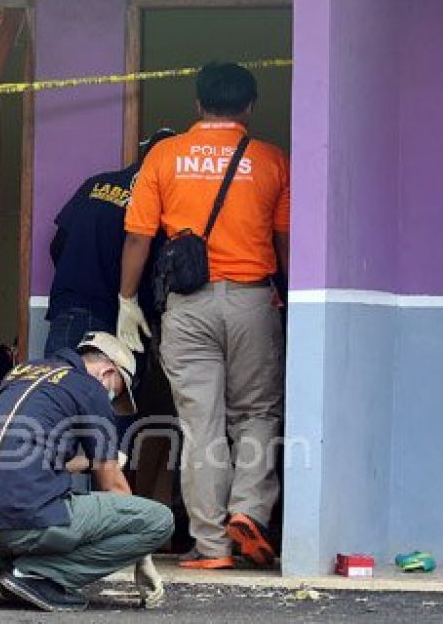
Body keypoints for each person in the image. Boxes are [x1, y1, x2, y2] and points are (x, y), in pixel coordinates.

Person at [118, 62, 290, 570]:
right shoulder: (271, 160)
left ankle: (212, 544)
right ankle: (250, 511)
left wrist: (127, 300)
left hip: (187, 307)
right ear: (251, 107)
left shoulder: (164, 157)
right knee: (256, 414)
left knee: (201, 426)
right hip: (253, 301)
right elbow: (284, 239)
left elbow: (138, 237)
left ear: (197, 105)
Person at [0, 331, 173, 612]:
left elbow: (33, 457)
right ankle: (35, 575)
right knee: (159, 520)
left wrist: (92, 461)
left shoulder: (22, 373)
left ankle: (12, 570)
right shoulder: (90, 388)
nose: (110, 400)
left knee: (66, 495)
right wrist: (143, 557)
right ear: (107, 372)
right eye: (117, 391)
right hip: (30, 521)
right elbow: (114, 488)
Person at [44, 128, 177, 357]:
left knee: (62, 387)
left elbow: (57, 245)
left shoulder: (95, 184)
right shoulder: (157, 202)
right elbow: (158, 270)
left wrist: (80, 283)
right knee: (113, 391)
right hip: (122, 319)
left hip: (70, 307)